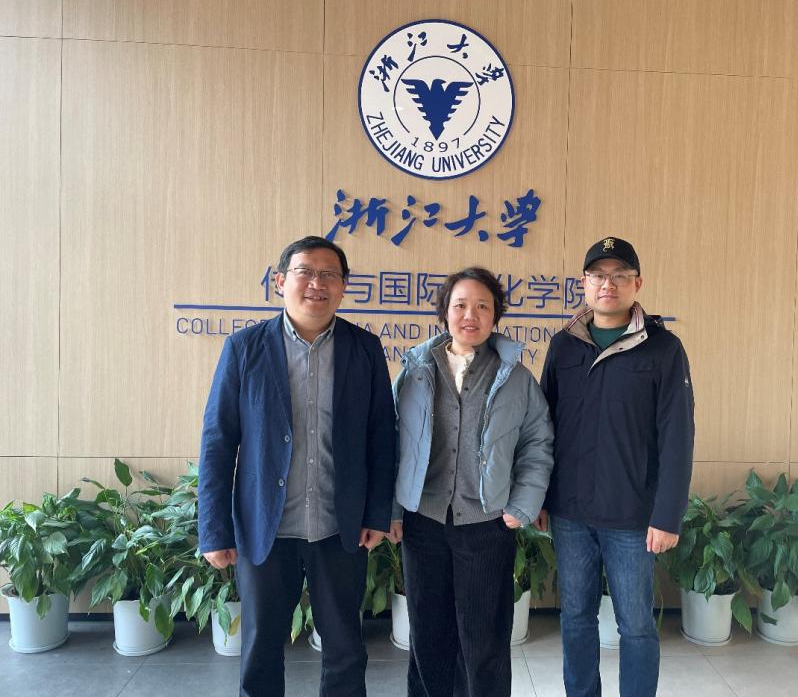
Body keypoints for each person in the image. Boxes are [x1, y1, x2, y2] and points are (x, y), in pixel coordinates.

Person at [198, 235, 396, 697]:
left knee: (346, 649)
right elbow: (218, 442)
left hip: (339, 527)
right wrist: (213, 530)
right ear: (280, 281)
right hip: (266, 529)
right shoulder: (244, 348)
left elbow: (381, 437)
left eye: (329, 274)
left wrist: (377, 513)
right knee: (261, 649)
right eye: (305, 272)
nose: (316, 284)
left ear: (344, 286)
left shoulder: (364, 348)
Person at [536, 236, 695, 697]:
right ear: (584, 283)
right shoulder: (564, 346)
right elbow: (543, 427)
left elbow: (678, 435)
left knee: (636, 625)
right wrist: (540, 497)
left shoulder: (663, 349)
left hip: (631, 515)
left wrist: (667, 515)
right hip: (570, 512)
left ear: (637, 284)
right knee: (576, 618)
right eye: (599, 275)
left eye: (620, 275)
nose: (608, 284)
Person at [385, 267, 554, 697]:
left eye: (482, 306)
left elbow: (537, 443)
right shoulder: (416, 371)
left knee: (485, 640)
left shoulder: (515, 377)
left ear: (496, 315)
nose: (470, 315)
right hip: (423, 522)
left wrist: (522, 504)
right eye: (460, 305)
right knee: (428, 634)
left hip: (487, 523)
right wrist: (392, 510)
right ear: (445, 311)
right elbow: (393, 441)